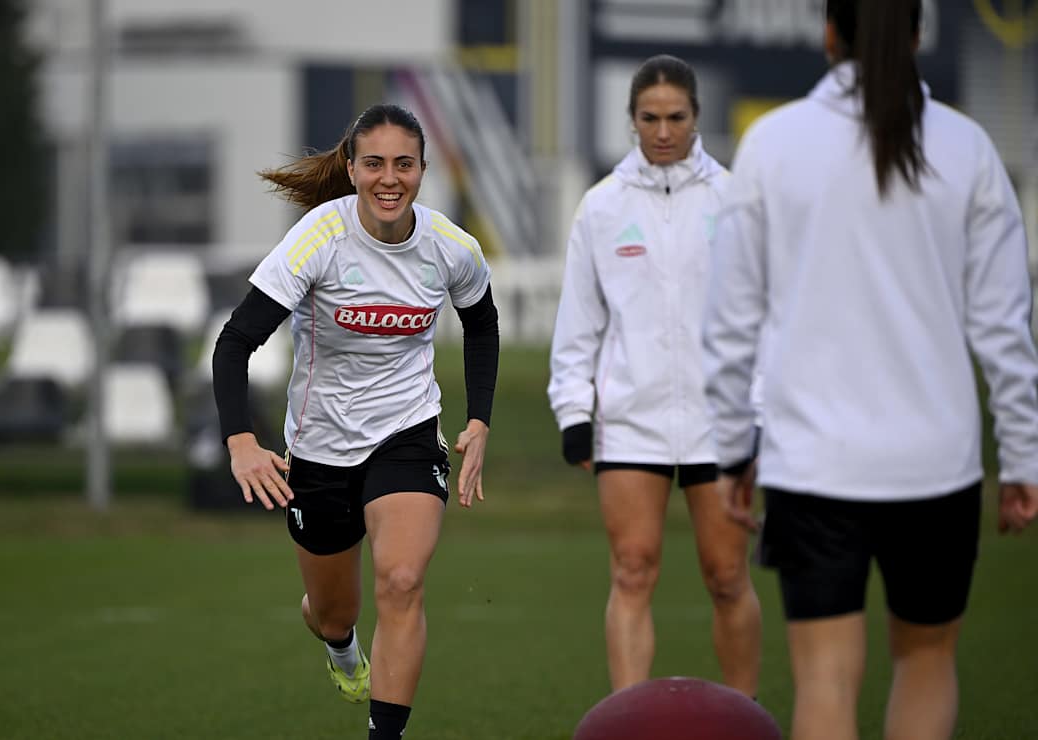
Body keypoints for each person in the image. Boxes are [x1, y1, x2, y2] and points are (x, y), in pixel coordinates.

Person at [701, 2, 1038, 739]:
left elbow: (729, 323)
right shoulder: (968, 148)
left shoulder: (774, 144)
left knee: (824, 677)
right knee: (925, 661)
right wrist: (1021, 457)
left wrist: (733, 450)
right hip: (937, 466)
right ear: (918, 34)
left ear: (829, 32)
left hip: (812, 464)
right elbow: (1004, 326)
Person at [211, 103, 499, 740]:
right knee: (332, 611)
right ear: (352, 167)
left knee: (401, 579)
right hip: (319, 447)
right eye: (374, 164)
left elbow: (481, 322)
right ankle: (340, 646)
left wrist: (479, 419)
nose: (389, 179)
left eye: (404, 164)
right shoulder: (320, 238)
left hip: (407, 431)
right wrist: (241, 443)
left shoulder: (452, 248)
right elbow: (234, 343)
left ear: (423, 170)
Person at [547, 54, 762, 697]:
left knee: (726, 575)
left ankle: (745, 719)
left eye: (676, 117)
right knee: (633, 570)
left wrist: (760, 414)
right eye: (649, 118)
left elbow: (763, 316)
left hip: (718, 424)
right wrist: (574, 413)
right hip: (630, 421)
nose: (663, 131)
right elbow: (579, 322)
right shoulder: (601, 208)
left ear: (697, 117)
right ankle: (627, 721)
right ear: (631, 120)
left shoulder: (735, 200)